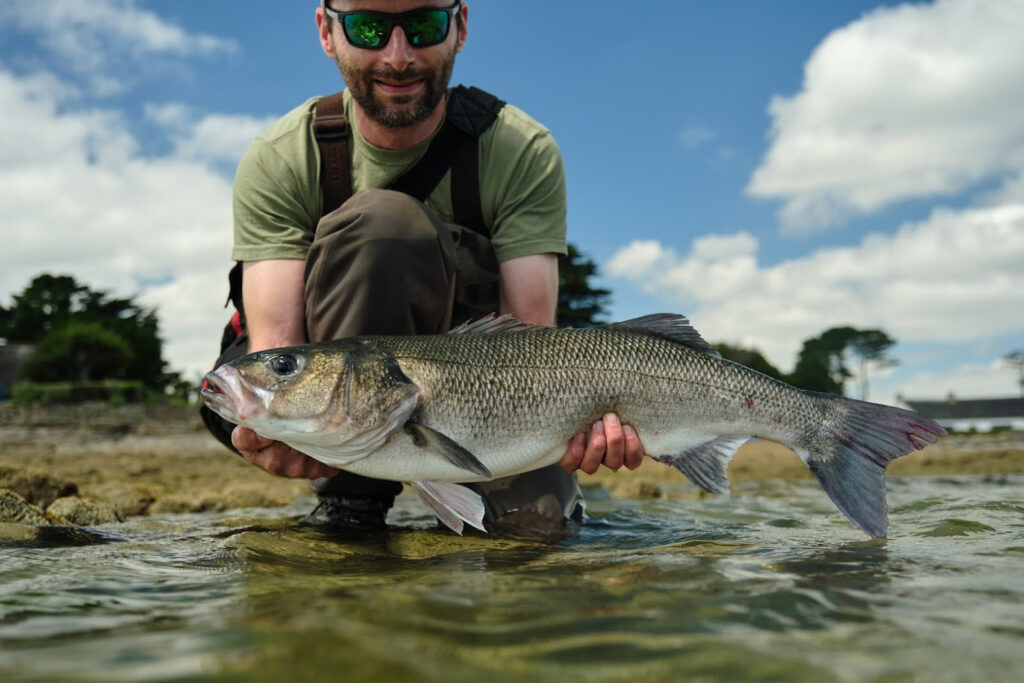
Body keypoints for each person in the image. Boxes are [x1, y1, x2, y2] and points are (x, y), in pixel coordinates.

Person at [218, 0, 645, 531]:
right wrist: (276, 429)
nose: (398, 58)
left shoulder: (520, 148)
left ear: (459, 26)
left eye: (422, 26)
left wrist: (577, 431)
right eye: (367, 27)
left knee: (536, 531)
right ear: (327, 32)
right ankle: (352, 497)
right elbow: (277, 344)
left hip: (496, 394)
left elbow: (533, 346)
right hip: (349, 384)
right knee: (386, 222)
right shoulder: (281, 156)